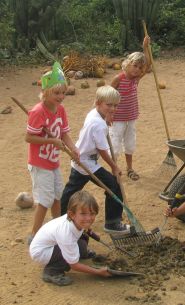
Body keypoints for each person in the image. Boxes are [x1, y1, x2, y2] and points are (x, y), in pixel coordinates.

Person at [60, 85, 130, 234]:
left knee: (72, 189)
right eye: (109, 105)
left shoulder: (94, 114)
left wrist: (107, 117)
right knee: (113, 185)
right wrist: (114, 167)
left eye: (115, 106)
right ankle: (112, 223)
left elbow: (101, 121)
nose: (112, 109)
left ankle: (61, 218)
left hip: (83, 158)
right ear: (98, 102)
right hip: (85, 162)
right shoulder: (98, 124)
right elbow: (102, 151)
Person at [25, 62, 78, 241]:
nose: (61, 96)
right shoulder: (38, 112)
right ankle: (34, 234)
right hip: (39, 164)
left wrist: (73, 148)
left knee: (57, 196)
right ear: (46, 92)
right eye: (56, 93)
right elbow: (29, 138)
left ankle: (58, 229)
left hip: (53, 162)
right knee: (45, 200)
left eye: (63, 92)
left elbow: (64, 133)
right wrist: (50, 140)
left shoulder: (60, 110)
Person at [30, 190, 111, 286]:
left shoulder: (74, 220)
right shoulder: (66, 233)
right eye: (83, 214)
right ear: (72, 214)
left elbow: (83, 230)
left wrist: (86, 228)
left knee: (81, 242)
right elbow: (74, 265)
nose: (89, 218)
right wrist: (98, 272)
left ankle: (79, 253)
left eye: (92, 213)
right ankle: (51, 271)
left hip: (53, 244)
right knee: (68, 256)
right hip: (41, 252)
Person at [109, 35, 151, 181]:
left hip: (131, 118)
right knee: (115, 145)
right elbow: (107, 96)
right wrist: (105, 115)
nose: (137, 69)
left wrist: (145, 47)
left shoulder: (136, 80)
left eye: (140, 68)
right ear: (127, 64)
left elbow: (149, 65)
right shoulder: (118, 79)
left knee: (129, 143)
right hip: (117, 119)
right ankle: (114, 169)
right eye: (135, 65)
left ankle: (130, 168)